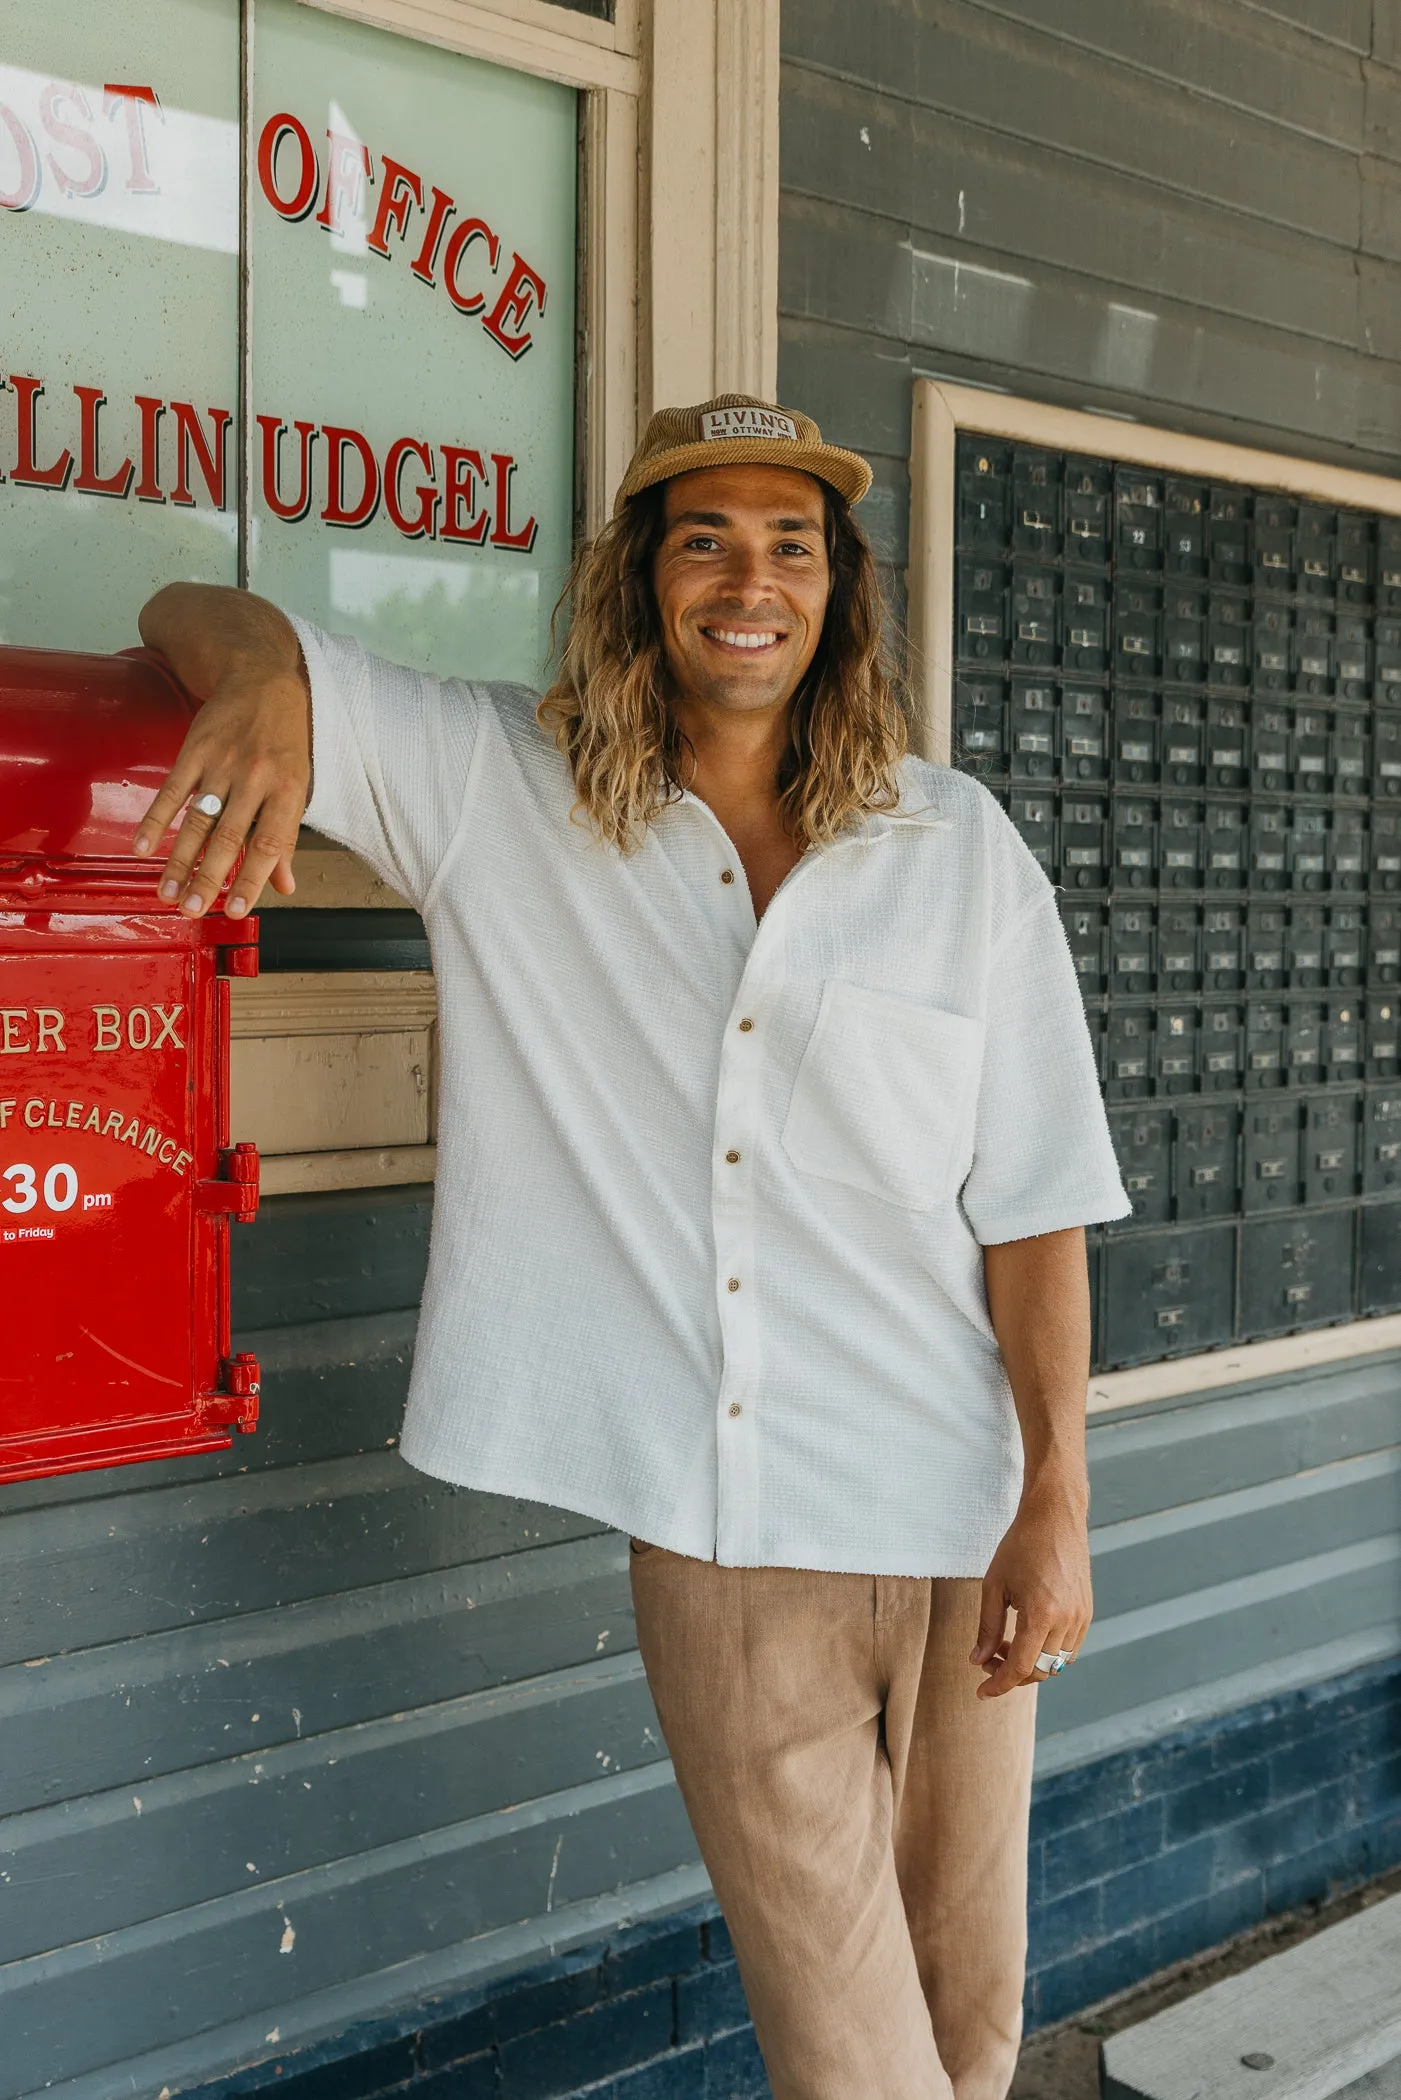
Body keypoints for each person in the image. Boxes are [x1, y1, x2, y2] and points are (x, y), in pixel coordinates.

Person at [135, 394, 1129, 2100]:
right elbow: (192, 611)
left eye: (790, 546)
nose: (751, 581)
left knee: (971, 2018)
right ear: (639, 578)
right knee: (857, 2062)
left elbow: (1033, 1200)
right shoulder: (494, 791)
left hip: (965, 1518)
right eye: (705, 540)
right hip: (731, 1544)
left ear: (839, 589)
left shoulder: (954, 850)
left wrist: (1058, 1498)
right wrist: (262, 691)